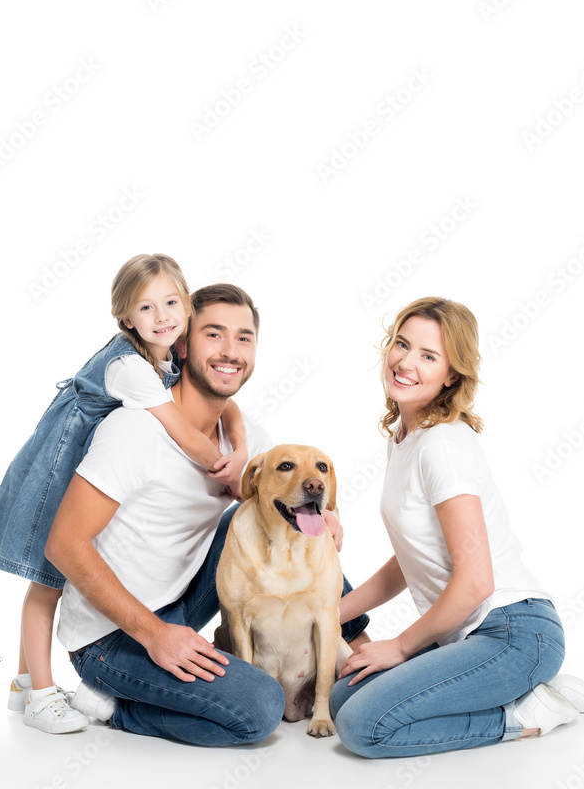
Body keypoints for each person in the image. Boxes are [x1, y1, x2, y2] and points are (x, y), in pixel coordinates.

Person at [45, 283, 369, 747]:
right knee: (260, 710)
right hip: (112, 633)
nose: (231, 351)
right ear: (180, 344)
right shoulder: (135, 430)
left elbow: (294, 489)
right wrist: (154, 634)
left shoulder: (248, 442)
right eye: (213, 334)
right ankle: (116, 705)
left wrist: (323, 512)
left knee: (273, 521)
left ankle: (361, 651)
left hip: (182, 604)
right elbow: (63, 545)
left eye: (244, 338)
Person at [0, 255, 250, 734]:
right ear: (127, 319)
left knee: (50, 581)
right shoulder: (131, 366)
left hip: (85, 456)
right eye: (147, 309)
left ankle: (24, 685)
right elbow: (184, 434)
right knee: (48, 580)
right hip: (60, 462)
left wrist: (243, 447)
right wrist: (227, 473)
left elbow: (230, 409)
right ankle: (41, 694)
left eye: (171, 303)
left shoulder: (164, 358)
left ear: (187, 306)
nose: (162, 316)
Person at [331, 296, 584, 758]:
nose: (405, 361)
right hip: (468, 634)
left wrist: (398, 646)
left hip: (514, 630)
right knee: (344, 698)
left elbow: (477, 582)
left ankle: (524, 712)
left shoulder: (443, 445)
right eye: (402, 344)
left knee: (363, 727)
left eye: (428, 356)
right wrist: (327, 613)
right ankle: (522, 688)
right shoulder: (407, 439)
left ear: (451, 375)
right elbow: (411, 558)